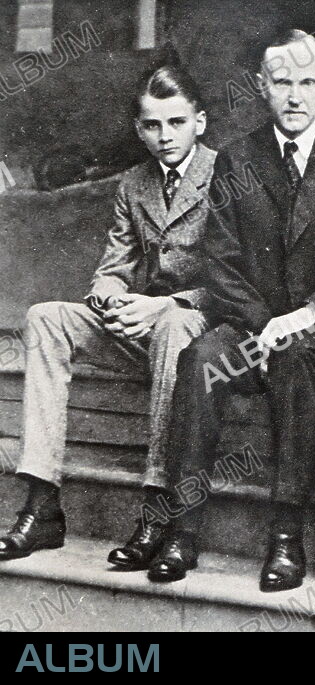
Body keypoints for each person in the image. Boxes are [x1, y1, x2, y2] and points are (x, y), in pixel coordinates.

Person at [148, 29, 315, 591]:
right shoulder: (238, 158)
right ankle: (183, 529)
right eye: (282, 82)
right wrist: (262, 324)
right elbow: (219, 259)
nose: (295, 95)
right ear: (262, 87)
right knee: (199, 360)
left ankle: (286, 535)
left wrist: (307, 313)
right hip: (249, 325)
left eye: (308, 82)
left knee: (299, 366)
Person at [0, 65, 215, 569]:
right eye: (152, 125)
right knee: (46, 317)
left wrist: (163, 305)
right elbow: (113, 267)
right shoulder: (133, 183)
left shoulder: (228, 176)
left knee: (174, 325)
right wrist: (109, 299)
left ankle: (157, 506)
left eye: (177, 122)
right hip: (139, 327)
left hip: (195, 326)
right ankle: (42, 498)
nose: (165, 137)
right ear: (139, 130)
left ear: (200, 122)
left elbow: (239, 282)